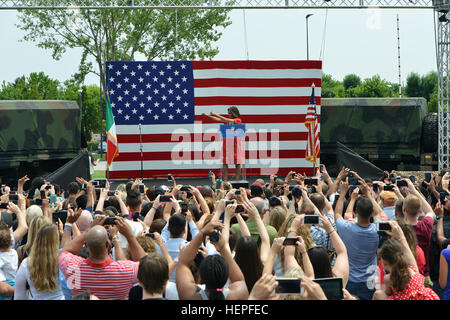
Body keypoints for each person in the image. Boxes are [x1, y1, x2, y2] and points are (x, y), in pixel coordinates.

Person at [58, 215, 147, 300]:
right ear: (107, 245)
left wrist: (89, 231)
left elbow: (65, 252)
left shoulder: (73, 268)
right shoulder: (126, 270)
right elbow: (147, 265)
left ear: (86, 245)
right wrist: (129, 236)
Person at [176, 219, 248, 300]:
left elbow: (183, 263)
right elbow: (239, 279)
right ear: (227, 275)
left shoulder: (189, 296)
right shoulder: (238, 294)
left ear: (201, 275)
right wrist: (223, 249)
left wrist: (202, 233)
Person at [333, 180, 380, 300]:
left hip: (351, 279)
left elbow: (337, 214)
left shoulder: (347, 227)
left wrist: (343, 194)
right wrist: (369, 194)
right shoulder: (377, 229)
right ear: (371, 212)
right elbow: (379, 213)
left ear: (356, 212)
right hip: (371, 279)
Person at [374, 221, 439, 300]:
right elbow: (413, 263)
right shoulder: (413, 270)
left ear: (384, 263)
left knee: (378, 294)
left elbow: (386, 292)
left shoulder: (389, 278)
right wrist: (401, 237)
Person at [14, 224, 65, 300]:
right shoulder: (64, 261)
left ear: (37, 240)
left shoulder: (26, 263)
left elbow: (18, 296)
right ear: (56, 241)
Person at [202, 106, 244, 181]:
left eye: (230, 113)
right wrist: (207, 116)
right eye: (228, 114)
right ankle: (225, 181)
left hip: (235, 144)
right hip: (227, 143)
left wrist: (214, 113)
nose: (229, 115)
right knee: (225, 162)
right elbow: (218, 120)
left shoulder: (238, 120)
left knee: (237, 163)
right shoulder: (229, 121)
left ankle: (237, 180)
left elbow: (225, 119)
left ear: (234, 113)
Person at [0, 226, 18, 300]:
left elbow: (4, 290)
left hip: (6, 283)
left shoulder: (1, 257)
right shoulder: (14, 252)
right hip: (14, 281)